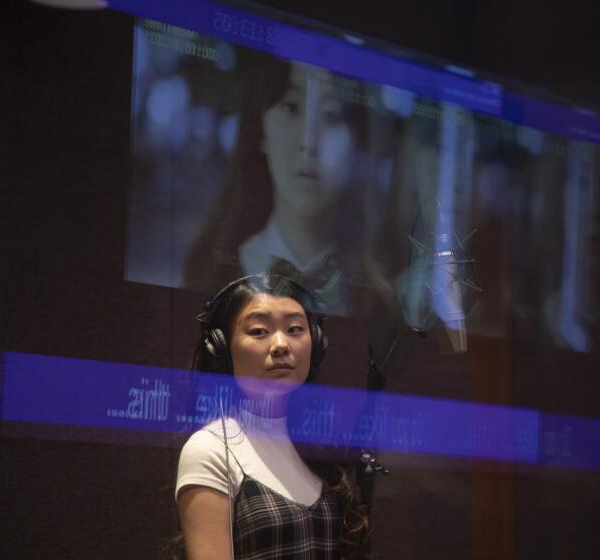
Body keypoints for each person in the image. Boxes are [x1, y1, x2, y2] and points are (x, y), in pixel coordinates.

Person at [175, 272, 370, 559]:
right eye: (259, 331)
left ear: (315, 342)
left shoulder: (319, 446)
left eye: (294, 329)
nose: (281, 345)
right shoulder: (210, 450)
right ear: (221, 348)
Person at [182, 53, 372, 312]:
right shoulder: (210, 275)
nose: (308, 142)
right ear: (261, 129)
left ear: (355, 144)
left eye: (331, 115)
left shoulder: (376, 300)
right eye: (291, 107)